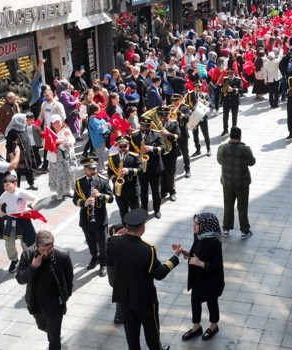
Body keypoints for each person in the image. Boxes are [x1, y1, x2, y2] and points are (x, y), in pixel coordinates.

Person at [105, 209, 180, 350]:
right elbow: (159, 273)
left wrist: (115, 237)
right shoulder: (147, 249)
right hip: (144, 299)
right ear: (142, 228)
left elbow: (108, 261)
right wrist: (174, 258)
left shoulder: (113, 242)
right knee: (151, 331)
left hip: (124, 296)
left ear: (126, 227)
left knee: (131, 332)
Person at [15, 230, 74, 350]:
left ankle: (54, 337)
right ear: (36, 246)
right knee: (42, 326)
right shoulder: (27, 255)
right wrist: (33, 267)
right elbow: (20, 279)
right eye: (42, 250)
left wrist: (65, 296)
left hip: (55, 303)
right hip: (36, 302)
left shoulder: (62, 256)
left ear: (53, 245)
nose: (46, 253)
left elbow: (69, 278)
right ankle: (53, 332)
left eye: (49, 249)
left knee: (54, 339)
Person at [174, 213, 225, 342]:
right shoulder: (199, 236)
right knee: (195, 301)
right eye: (194, 222)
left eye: (197, 223)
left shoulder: (214, 242)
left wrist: (199, 263)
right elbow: (196, 253)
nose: (194, 226)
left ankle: (214, 326)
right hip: (198, 277)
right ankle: (196, 327)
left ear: (205, 226)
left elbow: (217, 266)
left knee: (211, 302)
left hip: (211, 280)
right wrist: (185, 253)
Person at [73, 157, 114, 276]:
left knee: (102, 243)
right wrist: (85, 203)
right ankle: (94, 258)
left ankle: (103, 263)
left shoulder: (103, 180)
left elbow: (111, 198)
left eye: (94, 168)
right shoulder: (79, 182)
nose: (93, 171)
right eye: (90, 169)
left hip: (100, 219)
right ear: (85, 169)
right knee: (91, 242)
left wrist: (100, 195)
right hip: (86, 219)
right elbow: (75, 200)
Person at [216, 127, 256, 239]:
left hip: (227, 182)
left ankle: (226, 229)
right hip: (242, 183)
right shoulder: (245, 149)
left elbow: (219, 161)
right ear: (240, 136)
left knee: (228, 205)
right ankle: (244, 231)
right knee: (242, 207)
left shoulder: (222, 148)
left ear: (230, 136)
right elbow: (252, 162)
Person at [0, 174, 38, 274]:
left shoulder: (21, 193)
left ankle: (27, 259)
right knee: (8, 243)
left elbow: (36, 198)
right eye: (4, 185)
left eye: (7, 185)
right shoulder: (5, 194)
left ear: (15, 184)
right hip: (10, 222)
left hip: (23, 221)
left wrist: (30, 207)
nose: (5, 187)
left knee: (25, 243)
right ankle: (14, 260)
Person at [131, 116, 165, 218]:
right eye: (143, 126)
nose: (145, 128)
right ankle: (144, 211)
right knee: (143, 191)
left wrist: (151, 148)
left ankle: (157, 209)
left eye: (147, 126)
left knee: (155, 191)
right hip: (142, 168)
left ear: (150, 126)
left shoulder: (156, 134)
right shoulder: (135, 135)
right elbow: (131, 151)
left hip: (154, 168)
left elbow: (163, 148)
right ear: (140, 125)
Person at [108, 136, 142, 221]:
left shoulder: (135, 156)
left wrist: (129, 170)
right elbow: (110, 172)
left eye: (125, 146)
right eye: (120, 146)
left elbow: (141, 170)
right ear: (117, 146)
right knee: (123, 213)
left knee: (135, 212)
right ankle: (125, 227)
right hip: (119, 191)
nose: (123, 148)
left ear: (129, 145)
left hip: (132, 190)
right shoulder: (112, 158)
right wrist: (115, 180)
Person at [5, 113, 38, 191]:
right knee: (17, 172)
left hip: (26, 152)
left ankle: (31, 183)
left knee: (29, 168)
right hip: (17, 155)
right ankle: (16, 187)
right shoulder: (12, 132)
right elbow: (8, 145)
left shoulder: (23, 127)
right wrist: (12, 157)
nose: (25, 120)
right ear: (18, 120)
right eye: (24, 119)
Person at [158, 106, 181, 202]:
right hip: (161, 151)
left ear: (169, 114)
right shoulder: (157, 125)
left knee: (170, 172)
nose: (163, 117)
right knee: (162, 172)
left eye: (165, 115)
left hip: (171, 151)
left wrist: (168, 134)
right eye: (161, 115)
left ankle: (172, 191)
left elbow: (179, 136)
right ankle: (163, 190)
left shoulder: (174, 123)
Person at [220, 68, 243, 135]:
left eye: (231, 74)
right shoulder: (225, 79)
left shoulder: (238, 80)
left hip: (234, 101)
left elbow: (241, 89)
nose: (230, 76)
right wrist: (224, 90)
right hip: (226, 101)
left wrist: (232, 89)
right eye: (229, 74)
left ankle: (233, 130)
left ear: (233, 74)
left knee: (234, 116)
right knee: (225, 116)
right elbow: (221, 89)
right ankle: (225, 129)